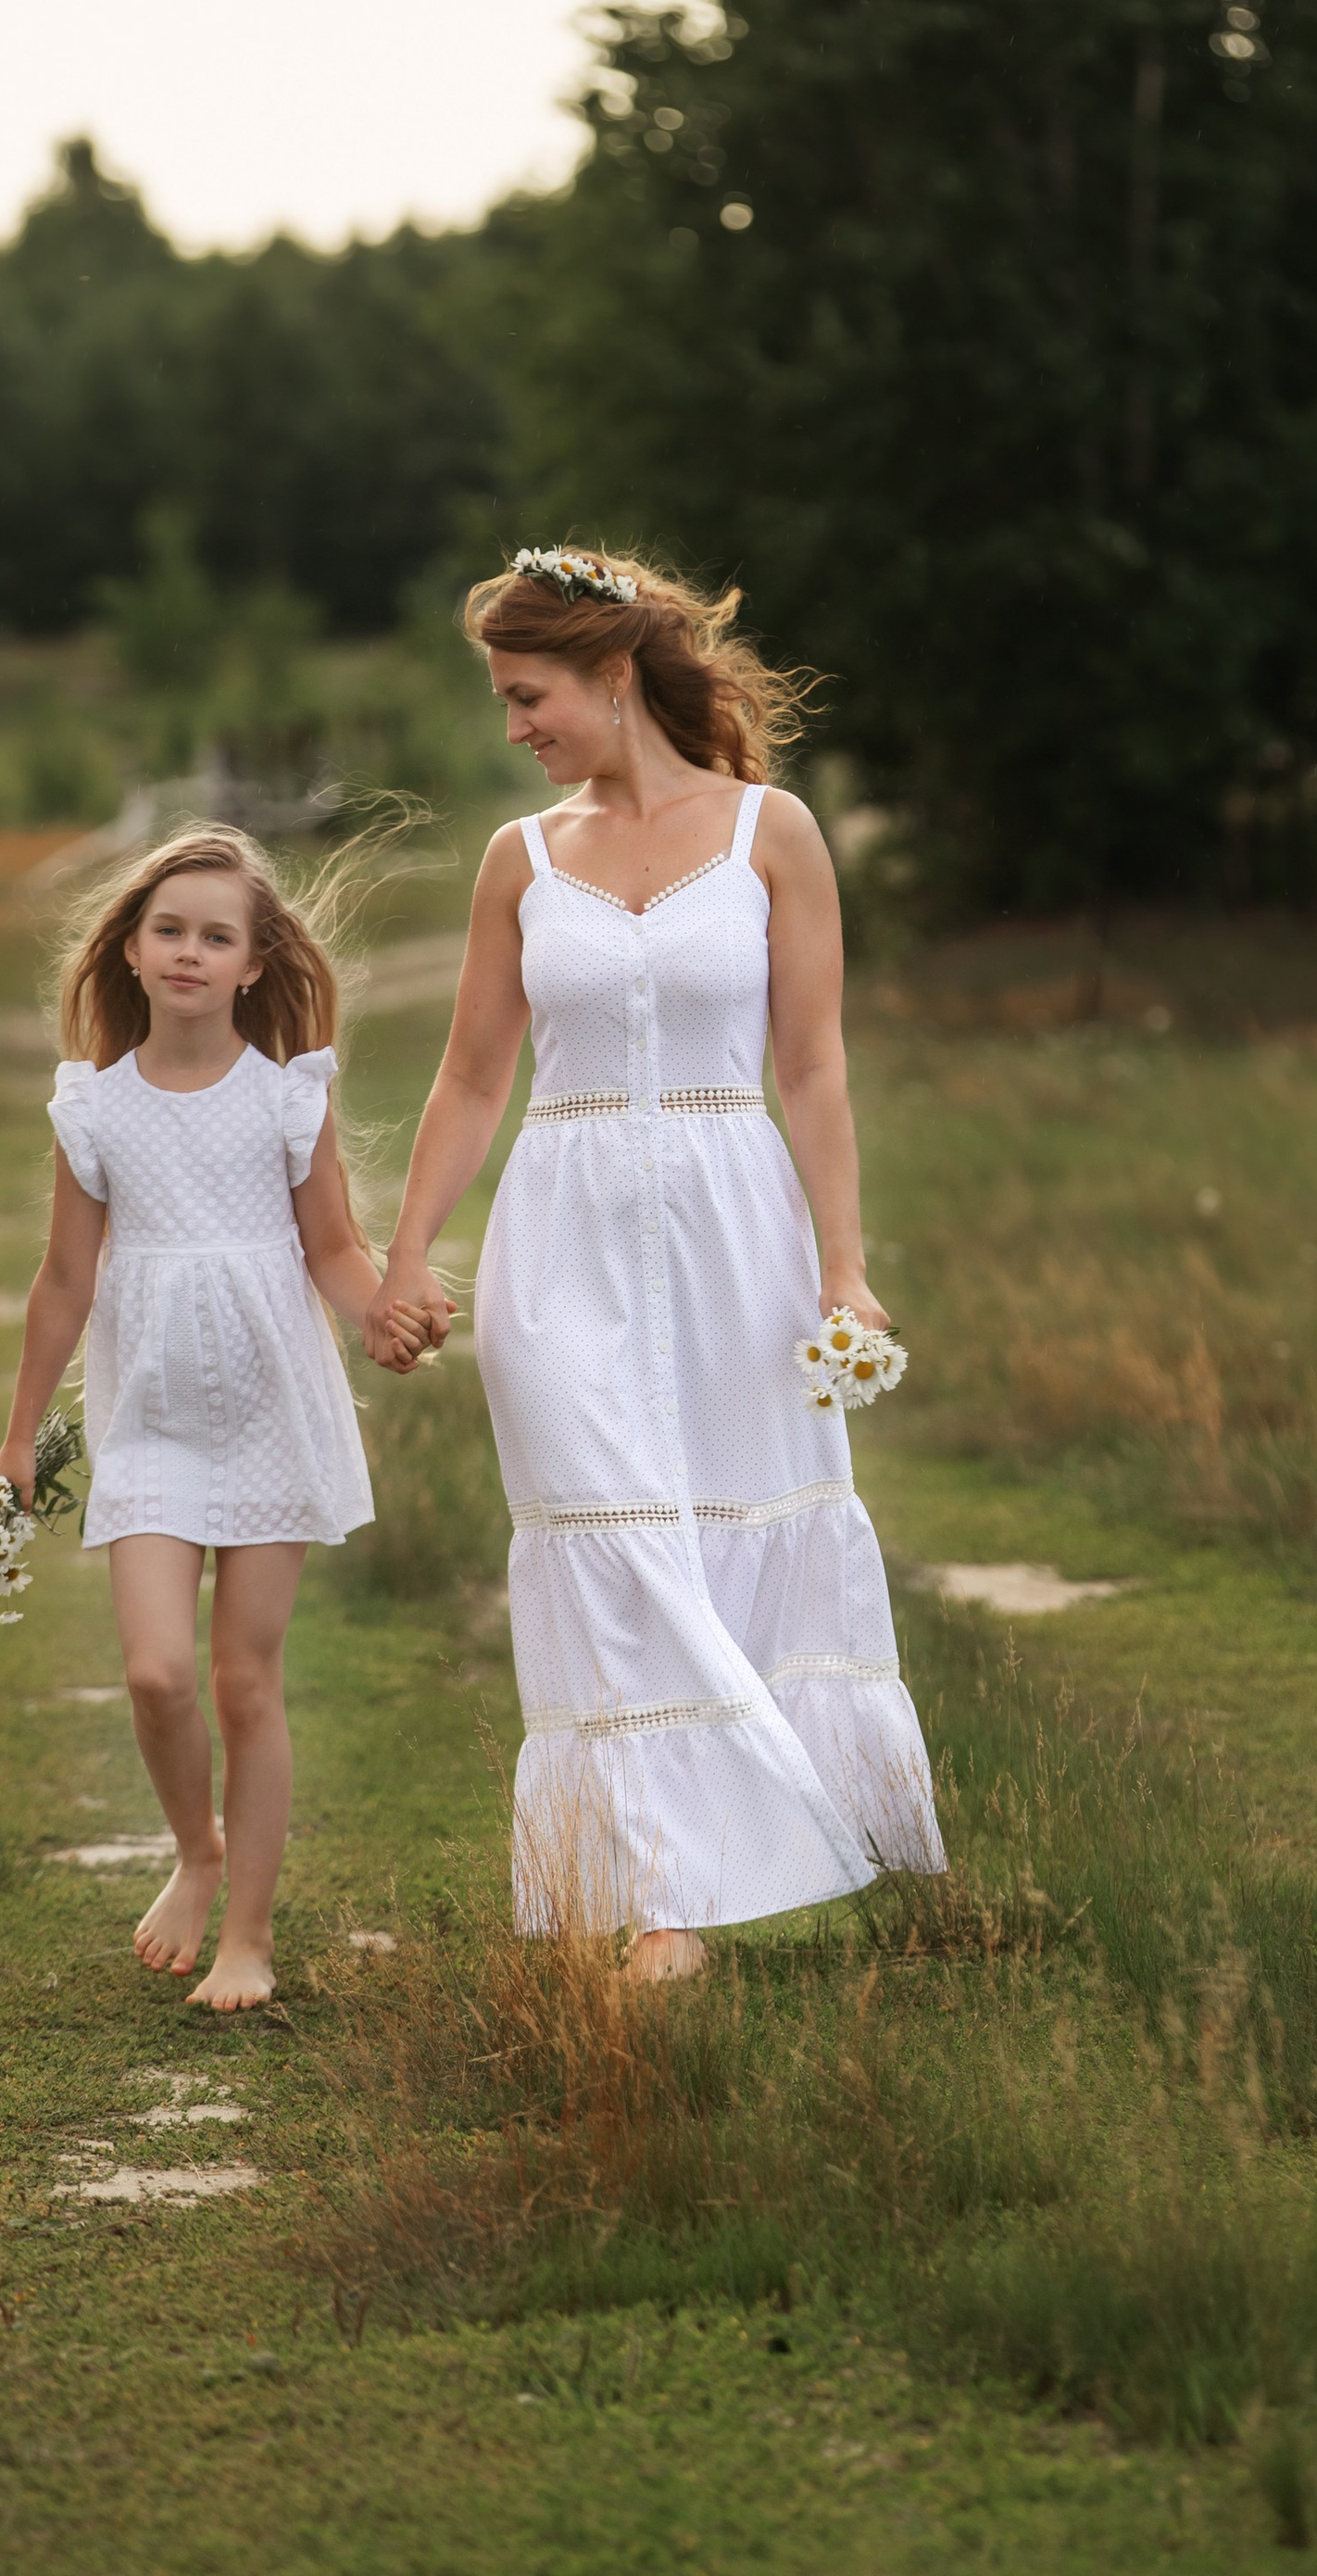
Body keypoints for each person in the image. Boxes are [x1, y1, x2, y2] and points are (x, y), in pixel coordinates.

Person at [364, 547, 943, 1979]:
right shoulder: (521, 859)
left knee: (730, 1525)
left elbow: (811, 1065)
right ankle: (664, 1902)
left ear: (612, 674)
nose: (515, 727)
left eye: (527, 694)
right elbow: (472, 1078)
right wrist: (404, 1258)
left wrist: (845, 1266)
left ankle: (750, 1848)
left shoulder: (772, 834)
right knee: (601, 1534)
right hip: (556, 1237)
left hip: (735, 1226)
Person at [0, 825, 427, 2010]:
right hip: (148, 1424)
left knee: (244, 1681)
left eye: (215, 936)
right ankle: (197, 1848)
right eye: (168, 929)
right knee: (154, 1674)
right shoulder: (95, 1110)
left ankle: (249, 1939)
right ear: (129, 950)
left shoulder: (289, 1098)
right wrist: (21, 1437)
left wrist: (383, 1316)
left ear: (251, 964)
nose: (189, 951)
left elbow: (332, 1250)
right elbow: (65, 1284)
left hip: (271, 1412)